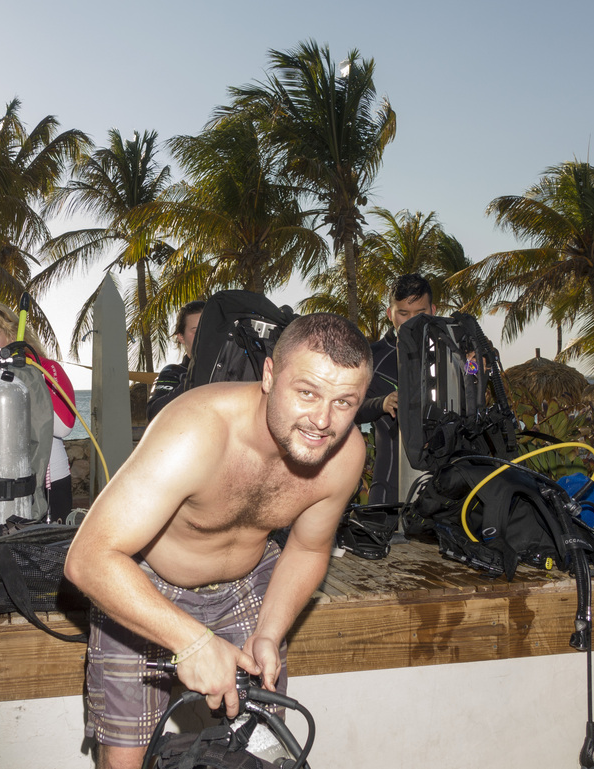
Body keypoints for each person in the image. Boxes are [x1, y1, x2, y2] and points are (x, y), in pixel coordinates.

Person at [65, 313, 373, 769]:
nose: (322, 420)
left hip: (249, 586)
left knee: (261, 752)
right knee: (125, 760)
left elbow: (307, 548)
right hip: (145, 585)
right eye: (307, 392)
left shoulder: (344, 457)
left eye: (344, 402)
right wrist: (191, 642)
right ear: (269, 375)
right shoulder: (195, 431)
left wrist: (270, 631)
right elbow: (89, 558)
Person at [0, 302, 77, 522]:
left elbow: (64, 427)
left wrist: (29, 378)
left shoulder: (44, 368)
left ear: (13, 335)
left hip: (49, 480)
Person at [354, 273, 435, 506]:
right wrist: (382, 403)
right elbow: (351, 410)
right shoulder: (373, 357)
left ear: (433, 311)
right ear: (390, 314)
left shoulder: (446, 352)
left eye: (420, 313)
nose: (412, 321)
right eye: (403, 313)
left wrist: (472, 368)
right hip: (389, 487)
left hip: (441, 489)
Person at [146, 300, 205, 421]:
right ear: (181, 337)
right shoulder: (174, 373)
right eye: (196, 331)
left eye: (209, 329)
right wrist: (192, 379)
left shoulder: (233, 368)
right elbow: (155, 413)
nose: (203, 335)